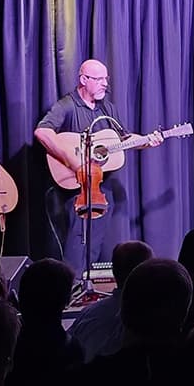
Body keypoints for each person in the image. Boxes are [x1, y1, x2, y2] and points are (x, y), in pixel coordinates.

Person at [35, 59, 162, 275]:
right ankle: (71, 287)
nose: (105, 84)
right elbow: (42, 132)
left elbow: (124, 138)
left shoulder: (107, 108)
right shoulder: (67, 105)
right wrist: (73, 161)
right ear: (83, 79)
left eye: (106, 79)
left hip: (101, 185)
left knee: (94, 239)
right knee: (77, 238)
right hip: (75, 186)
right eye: (99, 79)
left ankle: (86, 283)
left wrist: (147, 140)